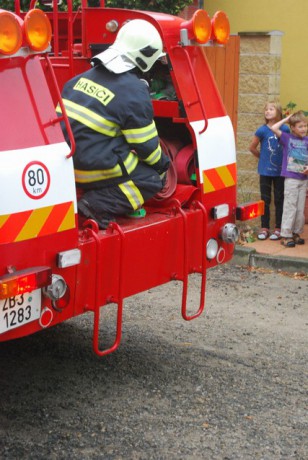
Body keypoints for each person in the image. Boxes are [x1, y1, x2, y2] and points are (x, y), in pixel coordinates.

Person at [57, 19, 170, 229]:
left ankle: (98, 195)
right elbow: (146, 146)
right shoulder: (133, 91)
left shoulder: (78, 80)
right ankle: (97, 206)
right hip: (90, 170)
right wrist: (163, 166)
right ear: (144, 58)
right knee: (151, 179)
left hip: (65, 168)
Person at [249, 101, 290, 240]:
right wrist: (263, 158)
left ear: (278, 112)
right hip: (265, 171)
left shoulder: (285, 129)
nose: (267, 112)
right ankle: (264, 227)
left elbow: (288, 147)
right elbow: (252, 147)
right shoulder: (262, 130)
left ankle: (278, 228)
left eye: (271, 109)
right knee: (265, 200)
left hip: (280, 172)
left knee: (279, 199)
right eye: (266, 109)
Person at [270, 111, 308, 247]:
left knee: (299, 209)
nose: (304, 129)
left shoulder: (307, 141)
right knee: (290, 207)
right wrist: (286, 119)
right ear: (292, 128)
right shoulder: (287, 138)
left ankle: (296, 233)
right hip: (291, 179)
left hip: (303, 180)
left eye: (305, 126)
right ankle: (286, 235)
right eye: (300, 126)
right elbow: (274, 128)